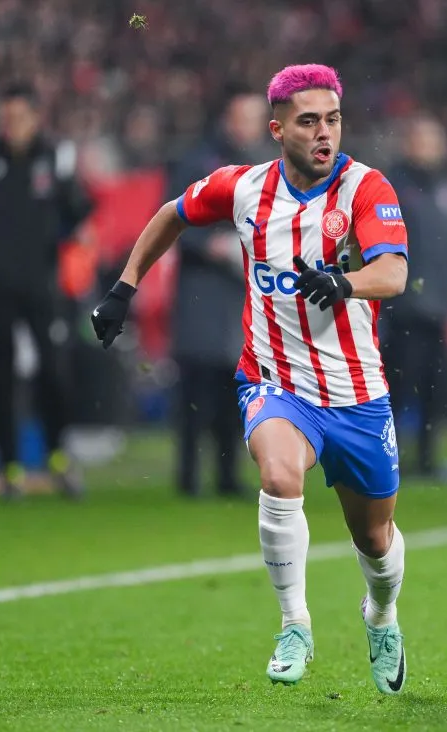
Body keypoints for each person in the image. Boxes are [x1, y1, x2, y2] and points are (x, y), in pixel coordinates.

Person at [91, 65, 410, 694]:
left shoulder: (366, 190)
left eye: (334, 119)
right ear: (277, 129)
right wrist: (124, 287)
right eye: (309, 121)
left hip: (356, 394)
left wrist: (345, 282)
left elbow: (394, 272)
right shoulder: (243, 189)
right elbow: (172, 214)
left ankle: (382, 615)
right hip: (275, 381)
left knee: (374, 540)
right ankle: (295, 624)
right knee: (277, 473)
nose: (325, 133)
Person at [0, 82, 94, 500]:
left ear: (35, 118)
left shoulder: (55, 159)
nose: (11, 125)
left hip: (40, 286)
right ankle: (10, 465)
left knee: (53, 369)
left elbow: (80, 209)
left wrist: (68, 239)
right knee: (1, 373)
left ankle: (57, 454)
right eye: (6, 117)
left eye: (18, 117)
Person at [168, 93, 272, 499]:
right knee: (196, 386)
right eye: (242, 116)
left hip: (245, 294)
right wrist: (214, 245)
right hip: (203, 291)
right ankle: (188, 475)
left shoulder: (267, 167)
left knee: (238, 386)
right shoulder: (198, 163)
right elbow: (174, 219)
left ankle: (228, 475)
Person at [382, 113, 447, 477]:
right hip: (403, 306)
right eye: (420, 140)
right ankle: (390, 459)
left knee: (435, 386)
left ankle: (428, 460)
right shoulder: (393, 185)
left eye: (432, 141)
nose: (426, 148)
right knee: (398, 386)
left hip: (439, 304)